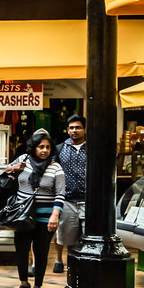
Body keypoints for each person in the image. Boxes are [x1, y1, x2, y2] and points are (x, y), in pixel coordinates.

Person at [6, 129, 65, 288]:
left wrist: (55, 215)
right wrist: (14, 168)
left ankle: (38, 286)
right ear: (33, 148)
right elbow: (6, 170)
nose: (44, 150)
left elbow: (60, 193)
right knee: (21, 250)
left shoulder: (55, 167)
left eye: (47, 147)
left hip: (45, 217)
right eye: (41, 147)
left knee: (41, 252)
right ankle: (24, 284)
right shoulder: (23, 160)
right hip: (22, 215)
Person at [54, 114, 86, 273]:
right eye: (71, 128)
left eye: (78, 127)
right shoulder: (60, 149)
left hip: (87, 199)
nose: (74, 130)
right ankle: (59, 260)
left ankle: (76, 262)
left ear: (85, 129)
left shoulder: (92, 148)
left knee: (86, 234)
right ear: (67, 130)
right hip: (66, 198)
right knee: (64, 233)